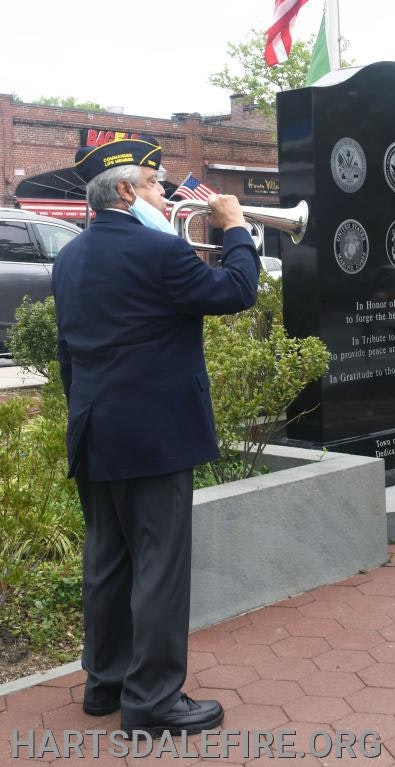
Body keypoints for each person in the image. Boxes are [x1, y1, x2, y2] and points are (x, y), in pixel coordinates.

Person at [52, 135, 261, 735]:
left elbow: (70, 354)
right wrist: (237, 228)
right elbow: (237, 291)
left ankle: (106, 683)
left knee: (108, 562)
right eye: (152, 183)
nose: (164, 192)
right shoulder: (159, 251)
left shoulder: (69, 257)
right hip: (156, 435)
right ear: (123, 192)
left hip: (95, 431)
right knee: (160, 568)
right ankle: (153, 701)